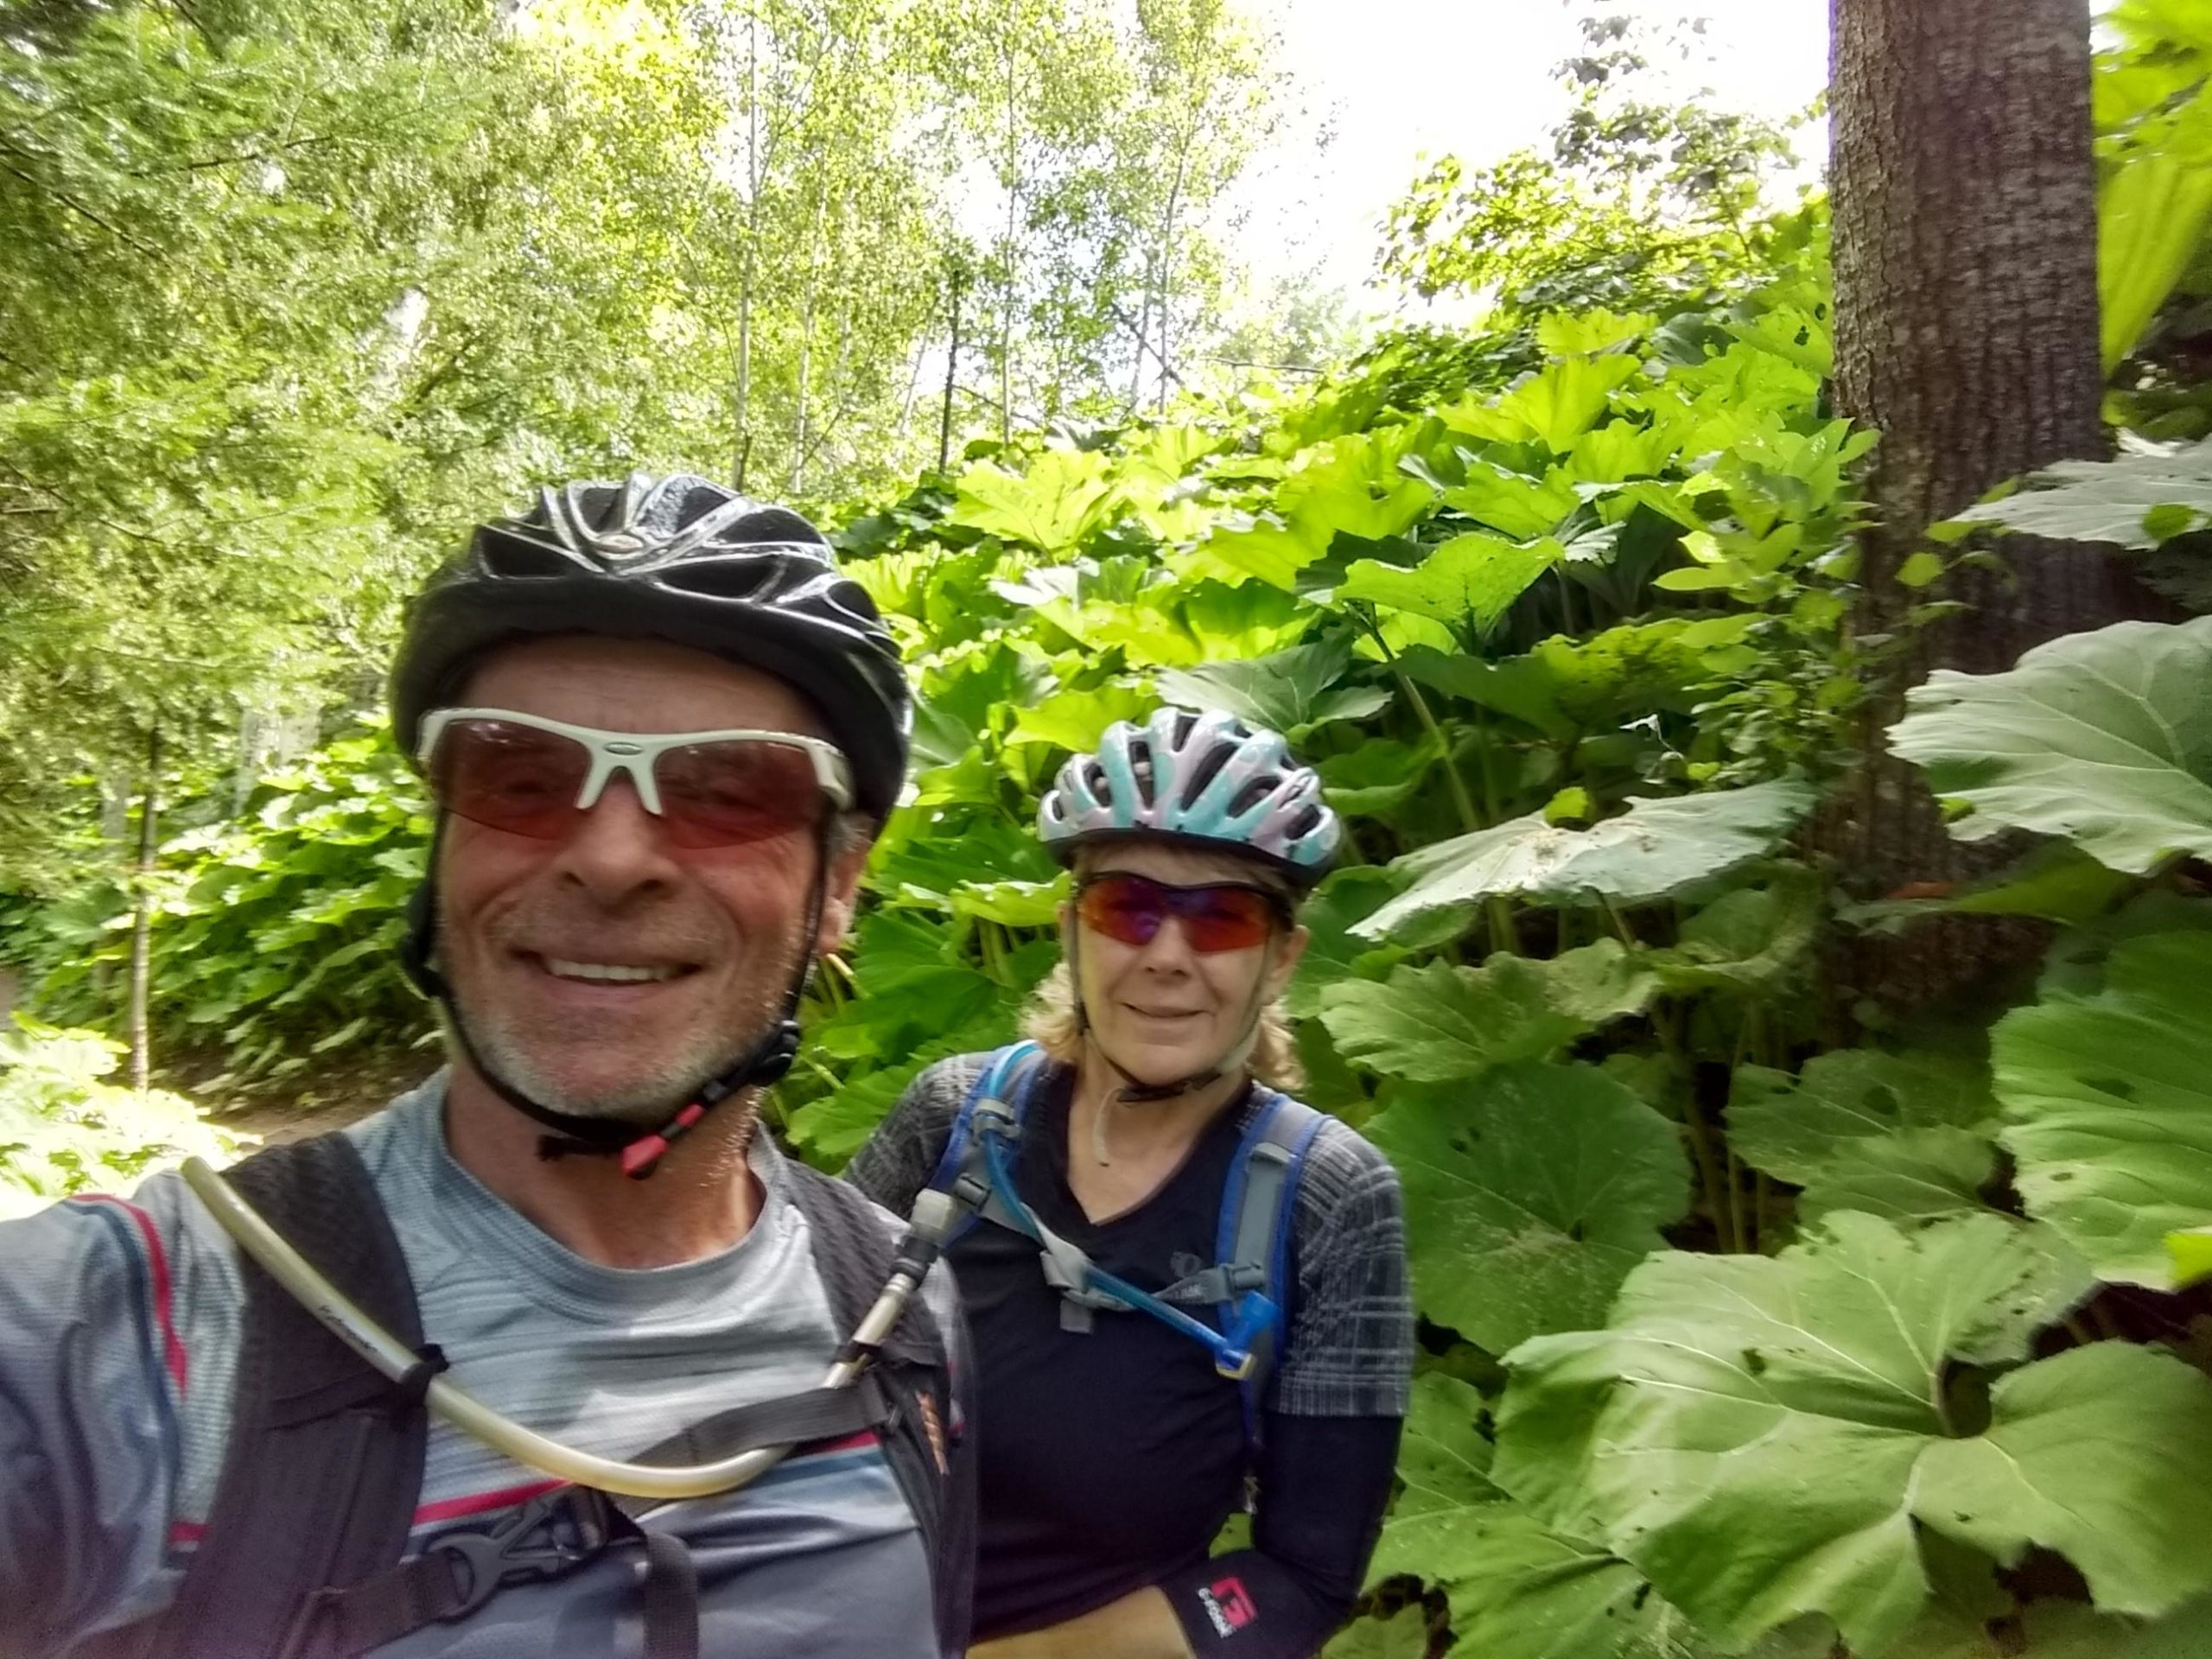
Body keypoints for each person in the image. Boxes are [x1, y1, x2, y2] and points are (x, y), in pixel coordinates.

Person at [0, 474, 975, 1658]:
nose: (611, 858)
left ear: (839, 887)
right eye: (521, 776)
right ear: (443, 836)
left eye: (725, 790)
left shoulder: (899, 1313)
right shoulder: (134, 1331)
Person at [848, 708, 1414, 1659]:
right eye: (1127, 909)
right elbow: (794, 1359)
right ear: (1072, 932)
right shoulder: (952, 1116)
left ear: (1281, 958)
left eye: (1222, 918)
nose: (1166, 956)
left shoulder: (1327, 1197)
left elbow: (1301, 1577)